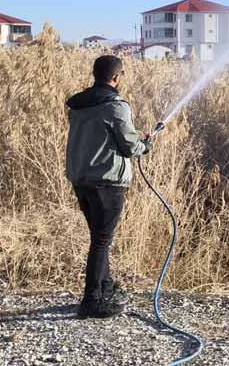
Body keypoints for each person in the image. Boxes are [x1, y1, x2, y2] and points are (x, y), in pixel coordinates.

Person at [65, 54, 151, 318]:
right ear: (116, 77)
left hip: (82, 180)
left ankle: (106, 287)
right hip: (107, 183)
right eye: (121, 75)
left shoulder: (79, 105)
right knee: (102, 241)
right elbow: (129, 146)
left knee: (98, 238)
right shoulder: (116, 105)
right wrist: (144, 146)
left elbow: (101, 137)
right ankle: (92, 301)